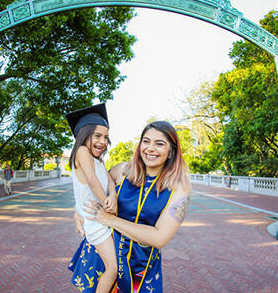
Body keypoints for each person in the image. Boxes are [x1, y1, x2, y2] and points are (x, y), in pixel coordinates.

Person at [68, 121, 191, 293]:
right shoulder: (123, 170)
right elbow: (91, 187)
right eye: (146, 141)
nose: (150, 148)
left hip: (140, 265)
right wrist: (78, 211)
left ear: (171, 151)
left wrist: (109, 219)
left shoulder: (179, 188)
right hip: (103, 256)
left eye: (160, 144)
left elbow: (159, 238)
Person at [65, 103, 118, 293]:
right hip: (95, 221)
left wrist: (112, 195)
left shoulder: (99, 161)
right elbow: (92, 180)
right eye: (97, 136)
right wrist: (107, 204)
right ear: (84, 135)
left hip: (102, 219)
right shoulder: (81, 152)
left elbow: (110, 181)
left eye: (106, 137)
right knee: (112, 269)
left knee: (105, 268)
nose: (103, 141)